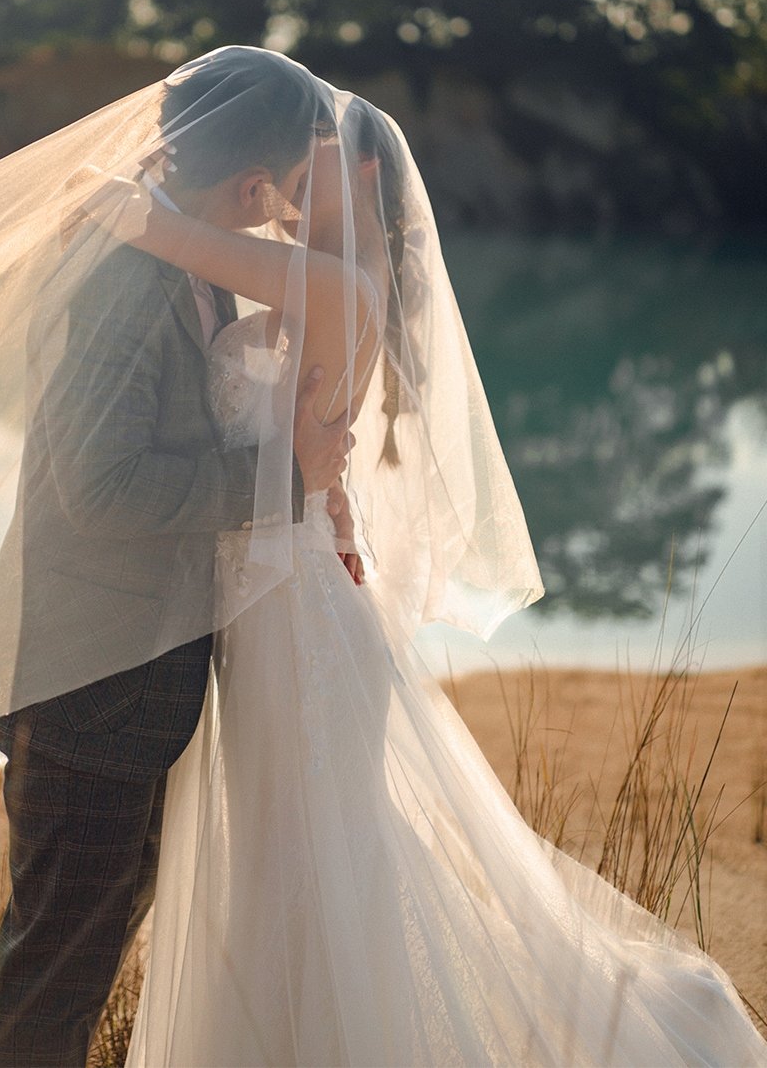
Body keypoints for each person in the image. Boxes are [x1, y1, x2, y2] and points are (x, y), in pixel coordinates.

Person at [73, 93, 767, 1065]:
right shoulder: (315, 277)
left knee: (305, 858)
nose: (275, 184)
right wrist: (328, 500)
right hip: (271, 589)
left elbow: (158, 229)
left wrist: (95, 183)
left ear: (361, 173)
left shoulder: (331, 280)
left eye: (302, 162)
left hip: (289, 616)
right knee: (284, 858)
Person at [0, 47, 354, 1064]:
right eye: (286, 192)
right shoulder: (122, 283)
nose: (283, 216)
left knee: (75, 952)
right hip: (89, 681)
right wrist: (286, 477)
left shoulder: (174, 251)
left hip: (132, 679)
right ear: (252, 184)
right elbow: (97, 490)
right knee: (58, 972)